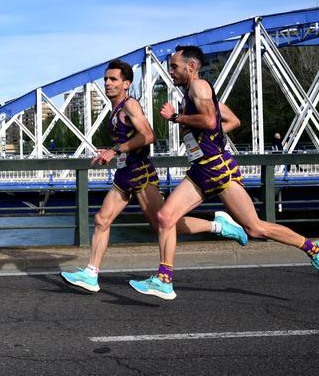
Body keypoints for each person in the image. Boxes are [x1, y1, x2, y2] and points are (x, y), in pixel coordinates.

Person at [129, 45, 319, 300]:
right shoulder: (195, 94)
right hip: (202, 168)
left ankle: (312, 248)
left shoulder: (199, 87)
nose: (170, 71)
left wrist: (176, 118)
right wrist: (211, 136)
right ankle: (165, 278)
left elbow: (208, 121)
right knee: (164, 217)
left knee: (255, 228)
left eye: (174, 66)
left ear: (191, 66)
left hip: (217, 169)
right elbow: (230, 121)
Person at [60, 59, 246, 293]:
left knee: (164, 224)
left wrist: (115, 150)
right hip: (125, 173)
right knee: (101, 220)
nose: (107, 83)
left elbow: (148, 136)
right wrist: (112, 149)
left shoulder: (130, 105)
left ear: (126, 84)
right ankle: (91, 274)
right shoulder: (116, 109)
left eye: (113, 79)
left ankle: (218, 226)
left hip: (140, 174)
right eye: (106, 79)